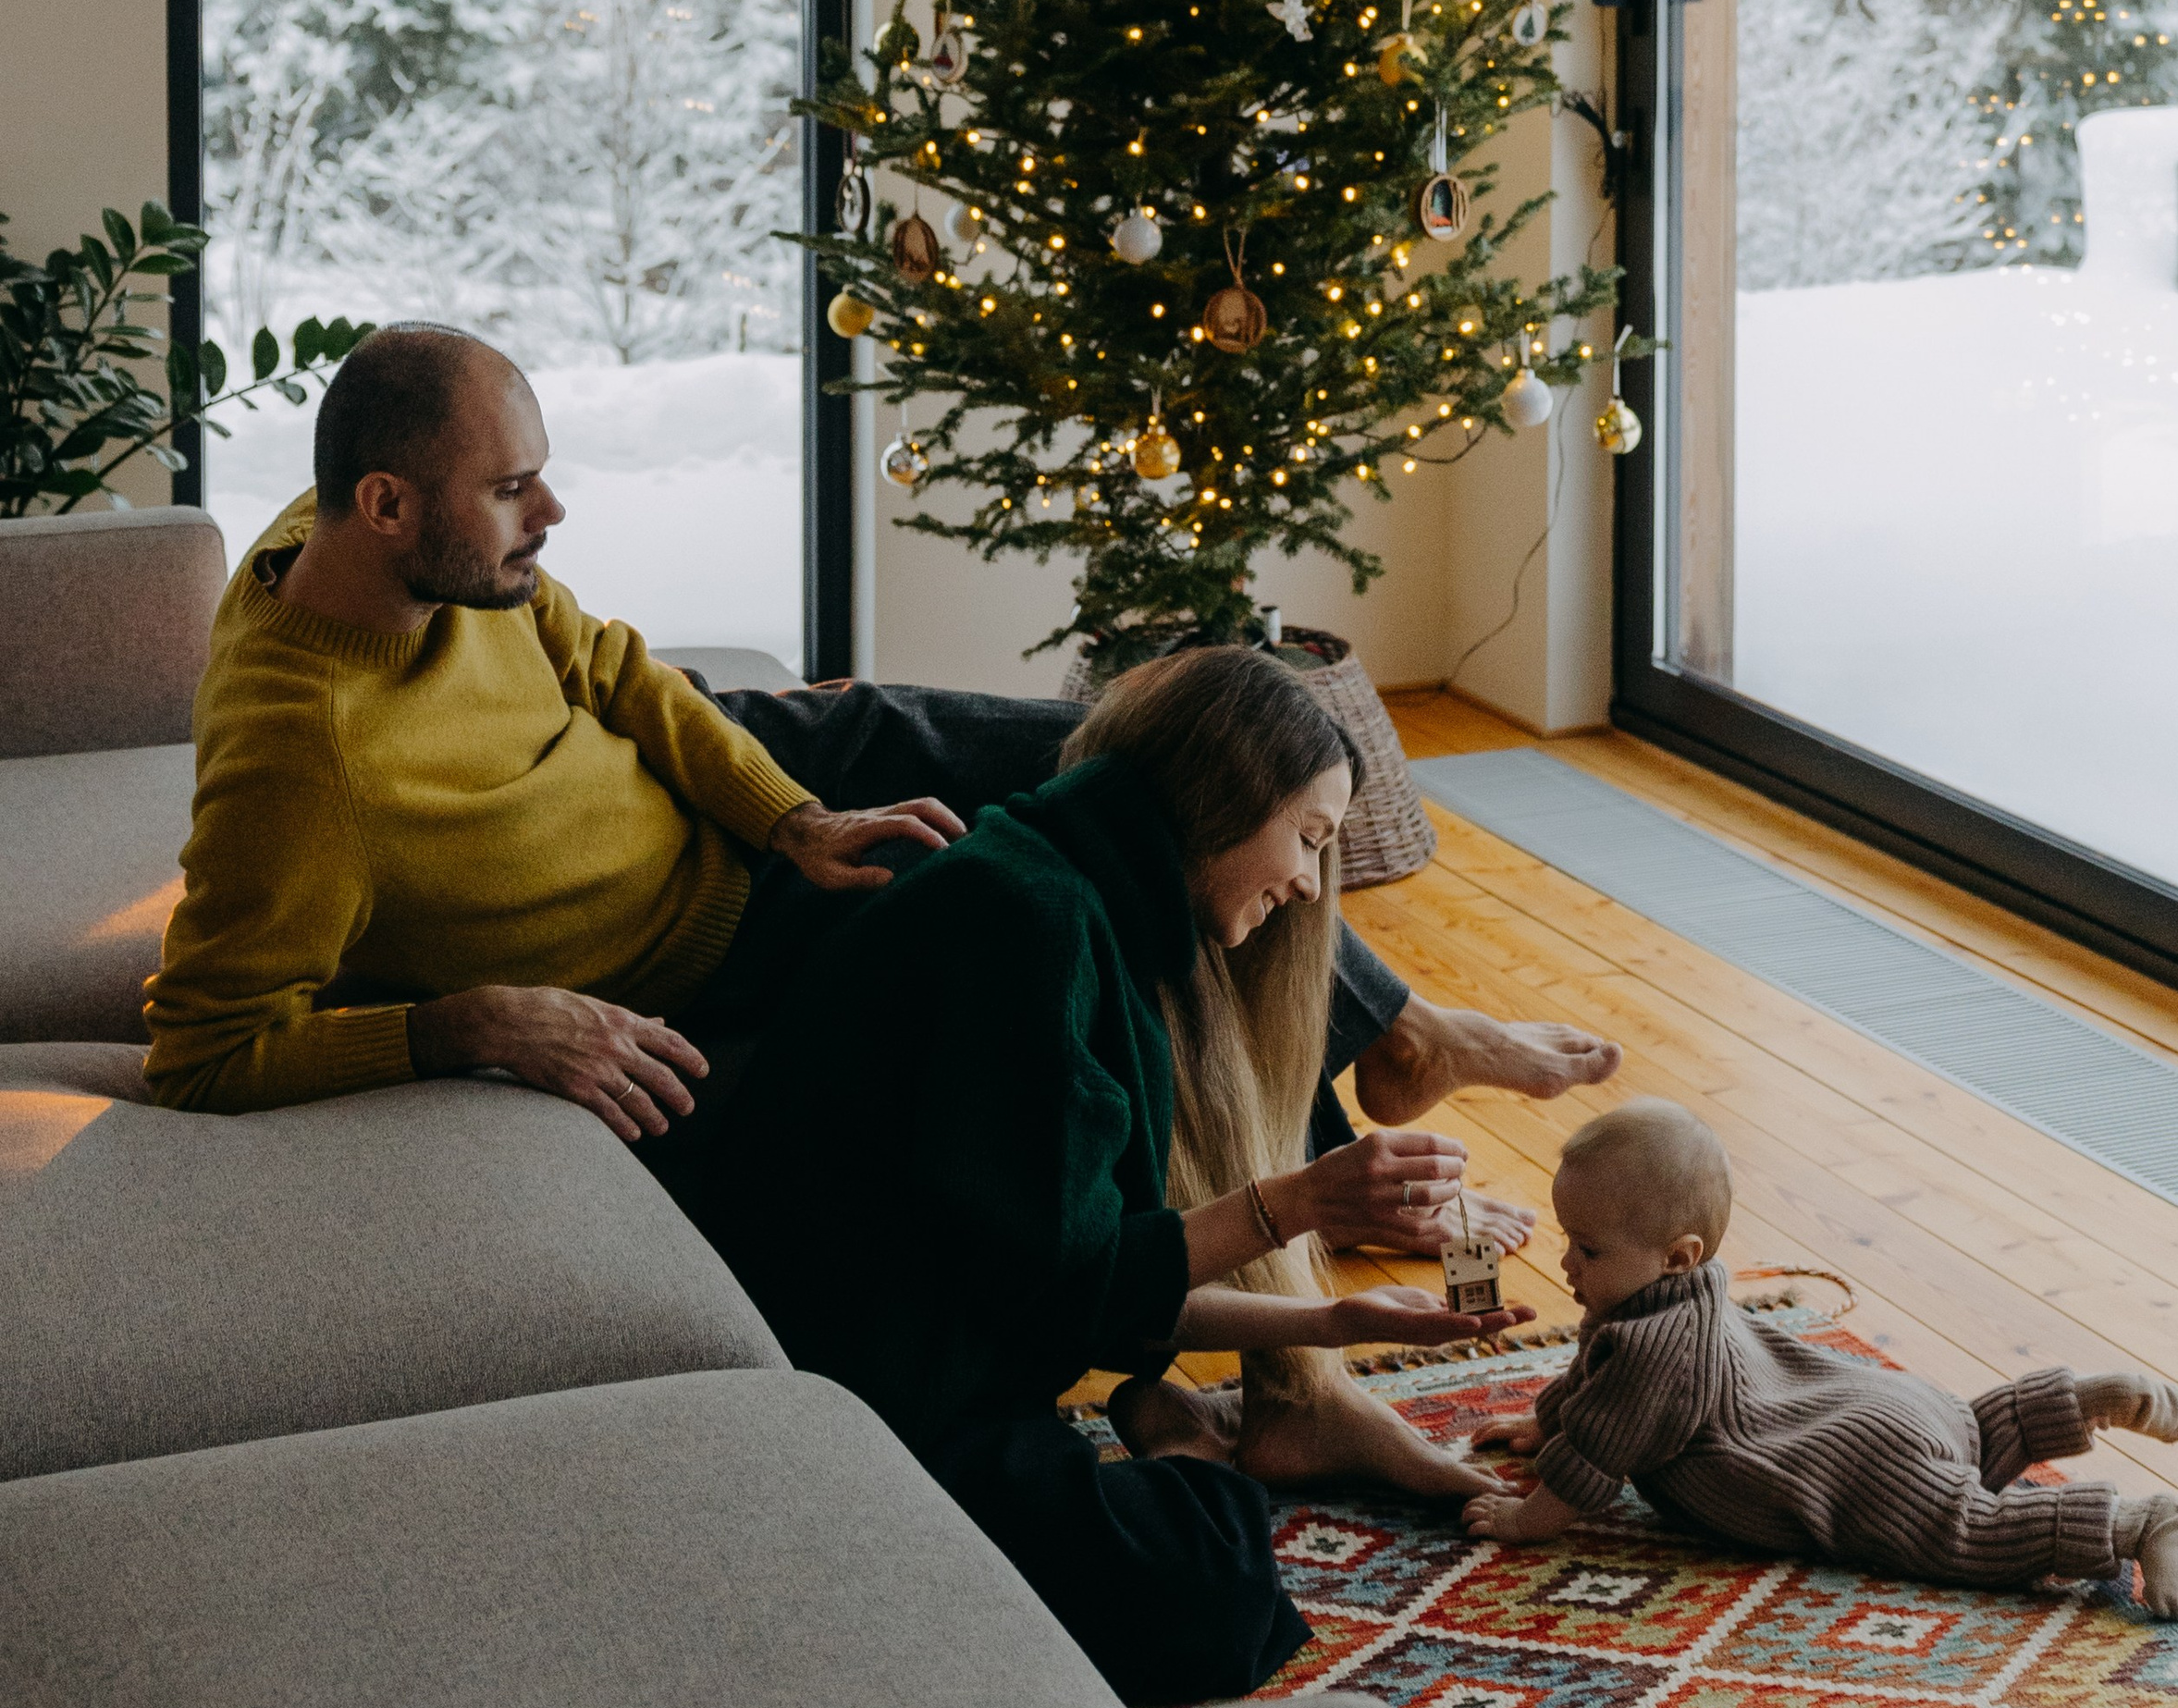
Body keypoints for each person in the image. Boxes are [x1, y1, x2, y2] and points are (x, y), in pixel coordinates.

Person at [146, 325, 1620, 1252]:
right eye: (511, 491)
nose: (552, 513)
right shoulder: (304, 762)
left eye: (541, 474)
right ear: (390, 506)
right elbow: (202, 1053)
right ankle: (1328, 1173)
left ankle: (1400, 1030)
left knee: (1109, 749)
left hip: (751, 802)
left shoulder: (362, 536)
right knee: (1088, 886)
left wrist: (793, 813)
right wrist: (459, 1023)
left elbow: (612, 666)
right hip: (721, 947)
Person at [672, 644, 1532, 1707]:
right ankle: (1185, 1452)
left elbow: (1067, 1270)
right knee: (1207, 1585)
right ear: (1227, 794)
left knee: (1198, 1572)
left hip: (938, 1362)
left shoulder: (1071, 894)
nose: (1308, 883)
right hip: (856, 1403)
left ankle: (1197, 1448)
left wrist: (1336, 1325)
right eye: (1306, 839)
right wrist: (1299, 1204)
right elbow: (1070, 1283)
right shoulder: (1022, 919)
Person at [1459, 1099, 2178, 1620]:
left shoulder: (1650, 1349)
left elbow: (1594, 1457)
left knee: (1964, 1529)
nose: (1567, 1263)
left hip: (1857, 1469)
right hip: (1883, 1407)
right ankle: (2079, 1401)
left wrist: (1527, 1521)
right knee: (1970, 1435)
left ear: (1677, 1256)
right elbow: (1593, 1391)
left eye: (1588, 1249)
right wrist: (1544, 1419)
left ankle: (2133, 1526)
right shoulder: (1677, 1295)